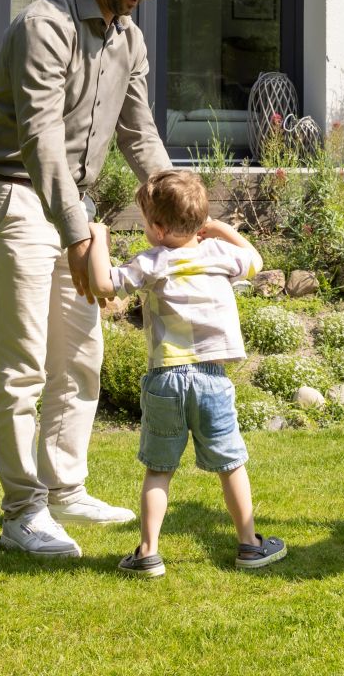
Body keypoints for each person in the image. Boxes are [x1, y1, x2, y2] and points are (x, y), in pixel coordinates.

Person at [0, 0, 180, 558]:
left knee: (81, 358)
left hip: (72, 207)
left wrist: (176, 204)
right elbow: (42, 143)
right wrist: (80, 236)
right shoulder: (45, 26)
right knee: (23, 367)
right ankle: (22, 513)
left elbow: (138, 132)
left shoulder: (129, 40)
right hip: (15, 196)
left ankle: (64, 488)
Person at [68, 170, 287, 578]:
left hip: (166, 377)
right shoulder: (219, 255)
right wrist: (220, 228)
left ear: (157, 227)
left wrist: (99, 235)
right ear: (198, 221)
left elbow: (103, 283)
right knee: (231, 464)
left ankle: (148, 552)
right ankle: (249, 544)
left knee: (159, 469)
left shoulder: (152, 262)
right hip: (212, 379)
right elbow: (255, 261)